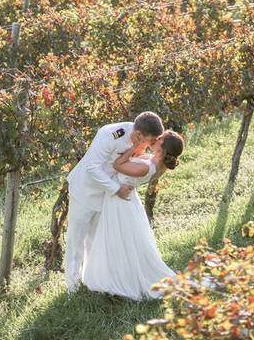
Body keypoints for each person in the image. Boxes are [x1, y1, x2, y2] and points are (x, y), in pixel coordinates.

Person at [63, 112, 164, 293]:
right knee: (76, 239)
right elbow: (92, 167)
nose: (150, 145)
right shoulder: (111, 134)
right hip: (85, 191)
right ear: (140, 135)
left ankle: (91, 280)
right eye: (150, 141)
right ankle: (72, 286)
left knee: (95, 240)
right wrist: (116, 189)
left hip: (106, 197)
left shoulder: (140, 140)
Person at [82, 130, 185, 299]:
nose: (156, 139)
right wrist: (139, 146)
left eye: (160, 139)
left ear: (163, 149)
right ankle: (114, 275)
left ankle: (121, 280)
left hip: (120, 203)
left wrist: (136, 146)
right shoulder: (150, 161)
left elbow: (117, 165)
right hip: (121, 199)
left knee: (118, 242)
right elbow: (134, 158)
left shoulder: (146, 167)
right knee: (120, 243)